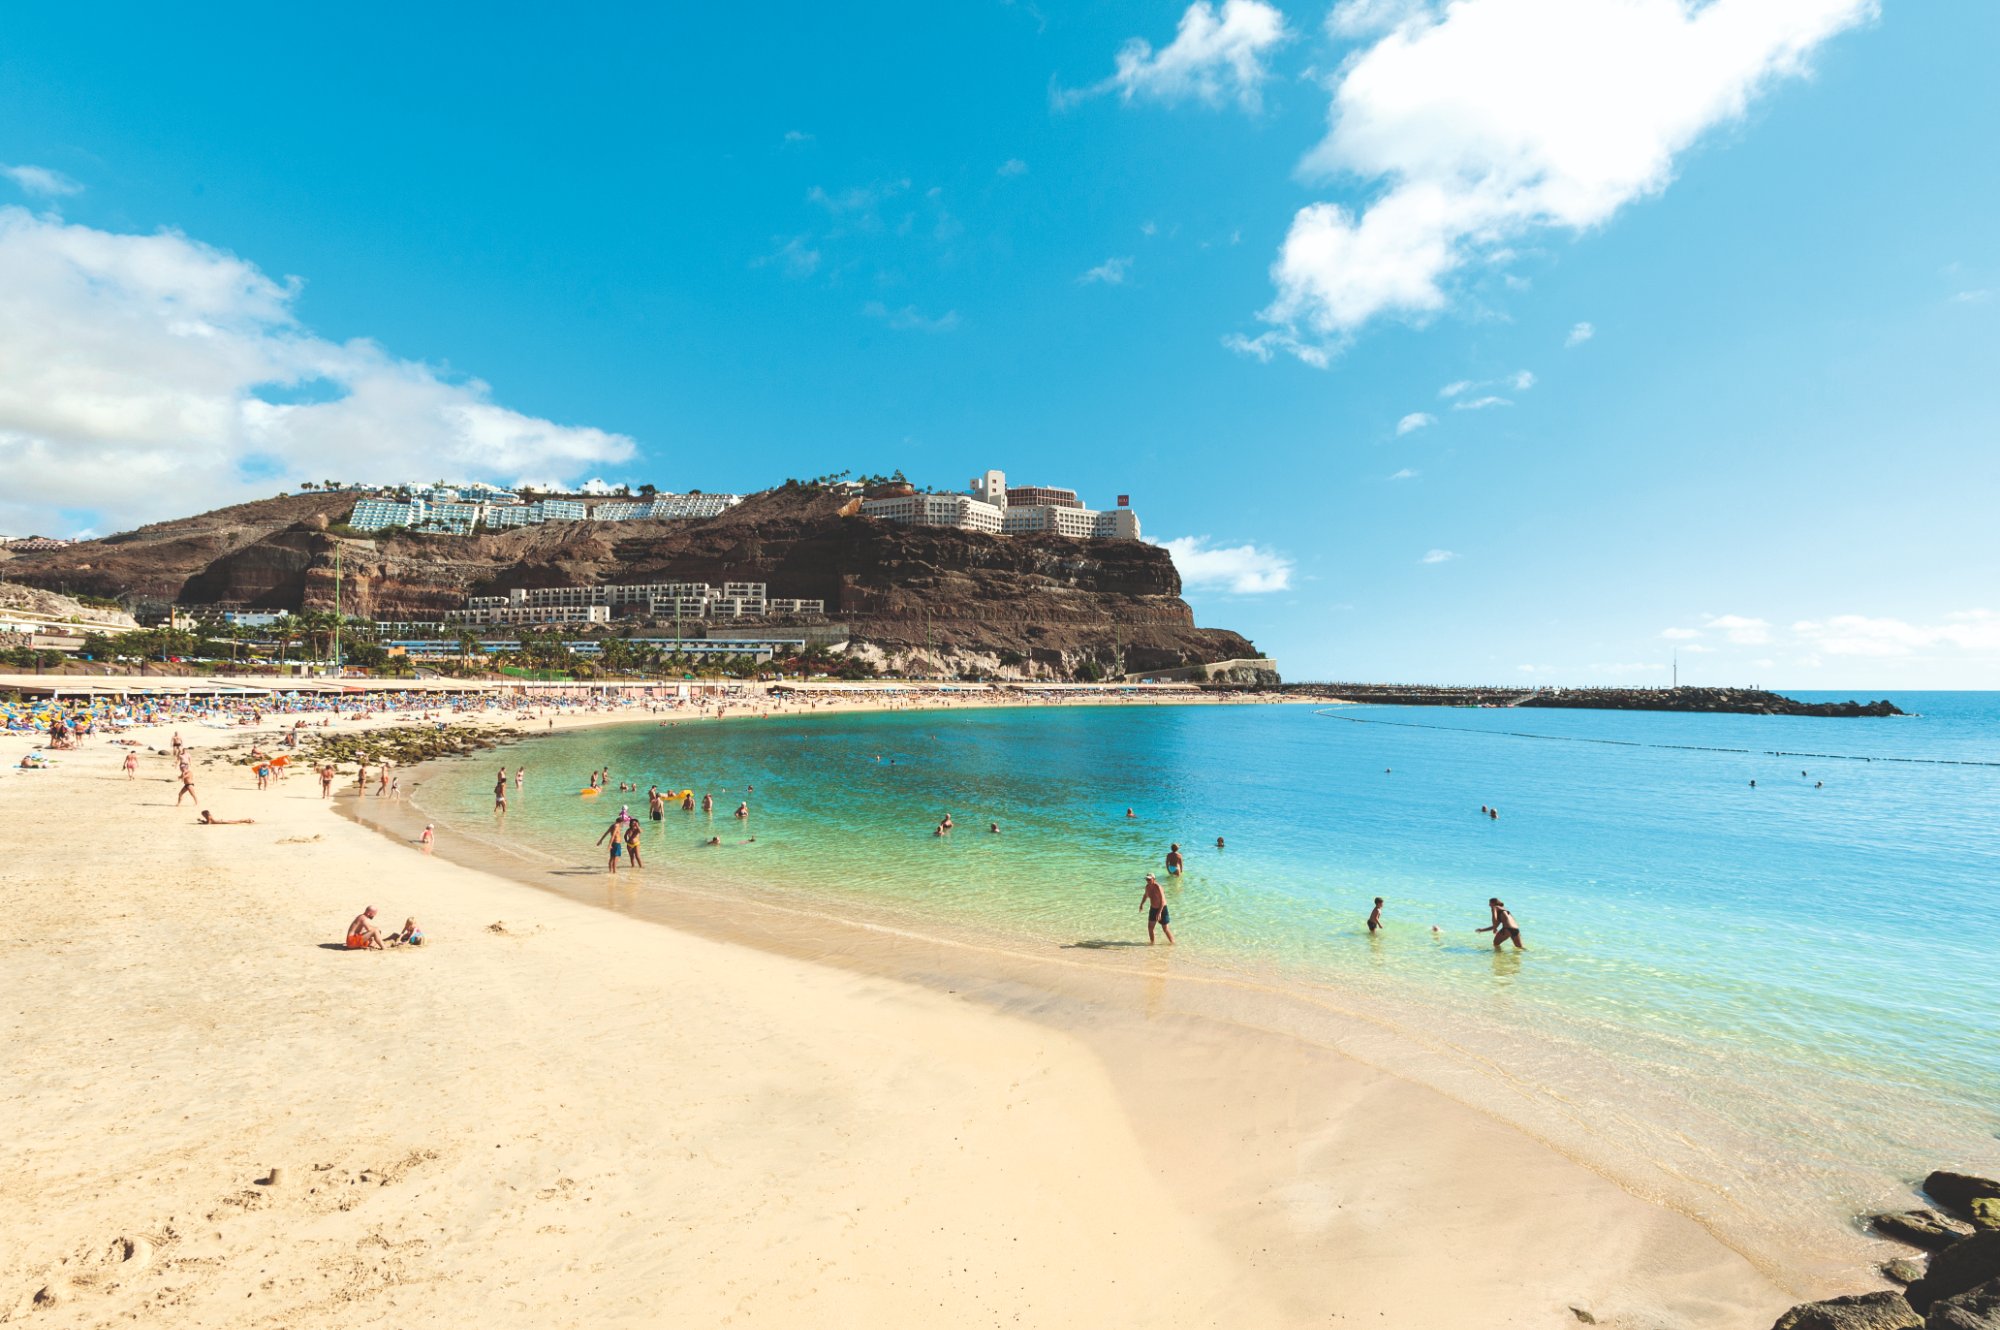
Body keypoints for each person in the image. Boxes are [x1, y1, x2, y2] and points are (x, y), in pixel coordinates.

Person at [1141, 873, 1174, 946]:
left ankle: (1172, 943)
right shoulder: (1147, 887)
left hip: (1162, 909)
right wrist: (1141, 904)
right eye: (1147, 879)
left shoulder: (1158, 887)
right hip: (1153, 909)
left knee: (1165, 928)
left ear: (1154, 879)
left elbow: (1162, 901)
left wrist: (1159, 913)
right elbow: (1145, 895)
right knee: (1150, 928)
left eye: (1149, 879)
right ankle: (1152, 944)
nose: (1148, 881)